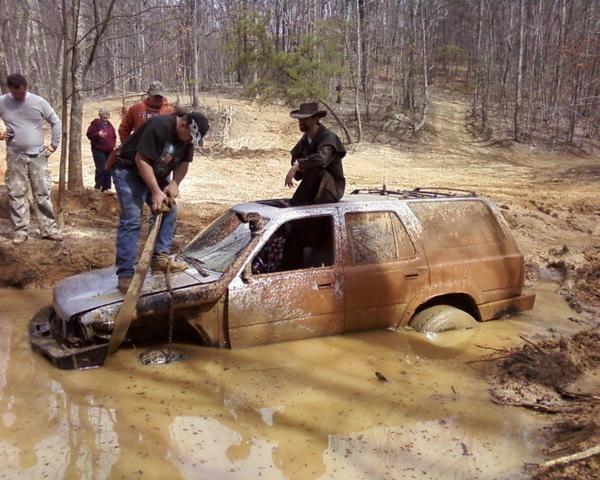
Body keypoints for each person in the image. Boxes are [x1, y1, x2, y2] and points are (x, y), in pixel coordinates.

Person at [112, 111, 209, 293]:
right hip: (129, 171)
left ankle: (159, 258)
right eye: (189, 136)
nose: (189, 141)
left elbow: (184, 163)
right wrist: (156, 192)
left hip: (155, 173)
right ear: (184, 124)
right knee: (132, 219)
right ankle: (125, 274)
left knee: (169, 210)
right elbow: (141, 160)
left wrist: (175, 183)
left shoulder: (187, 140)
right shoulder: (160, 126)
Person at [0, 73, 62, 244]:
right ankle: (20, 231)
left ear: (26, 87)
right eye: (15, 93)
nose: (18, 96)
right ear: (9, 89)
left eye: (21, 92)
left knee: (42, 192)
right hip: (15, 155)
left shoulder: (38, 102)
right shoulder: (3, 102)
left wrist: (53, 145)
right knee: (17, 193)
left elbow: (56, 121)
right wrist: (1, 133)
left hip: (38, 156)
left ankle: (49, 229)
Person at [285, 102, 346, 206]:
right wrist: (299, 168)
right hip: (314, 189)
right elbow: (296, 157)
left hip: (331, 189)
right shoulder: (305, 139)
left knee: (315, 168)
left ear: (316, 119)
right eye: (300, 119)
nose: (301, 122)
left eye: (305, 119)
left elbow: (321, 159)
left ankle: (296, 202)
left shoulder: (329, 137)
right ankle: (298, 201)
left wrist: (298, 165)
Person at [86, 107, 116, 191]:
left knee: (108, 168)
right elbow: (89, 134)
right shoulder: (95, 124)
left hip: (109, 150)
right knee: (101, 167)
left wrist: (113, 145)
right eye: (104, 114)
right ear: (100, 115)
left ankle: (107, 187)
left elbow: (114, 136)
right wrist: (98, 134)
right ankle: (98, 186)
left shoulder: (109, 125)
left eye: (107, 114)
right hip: (98, 150)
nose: (105, 116)